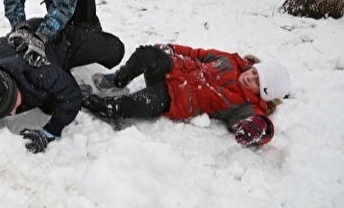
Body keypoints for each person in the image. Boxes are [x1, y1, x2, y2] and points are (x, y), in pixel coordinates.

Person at [82, 44, 291, 147]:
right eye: (254, 72)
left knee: (134, 104)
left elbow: (256, 124)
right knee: (147, 53)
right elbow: (197, 54)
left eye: (257, 83)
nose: (250, 78)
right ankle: (118, 79)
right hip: (174, 69)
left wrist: (260, 129)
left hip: (176, 98)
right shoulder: (232, 61)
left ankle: (94, 102)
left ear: (263, 94)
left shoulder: (249, 106)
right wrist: (171, 49)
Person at [0, 18, 124, 154]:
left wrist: (48, 132)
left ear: (15, 86)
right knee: (50, 103)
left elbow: (71, 95)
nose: (14, 112)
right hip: (44, 69)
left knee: (115, 50)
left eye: (12, 105)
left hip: (59, 40)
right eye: (7, 113)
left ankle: (84, 21)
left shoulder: (36, 68)